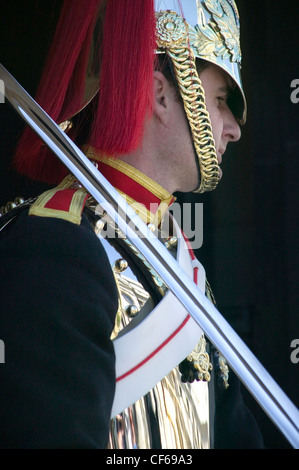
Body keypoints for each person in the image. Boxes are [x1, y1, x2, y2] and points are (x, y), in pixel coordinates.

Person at [0, 0, 264, 449]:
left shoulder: (181, 265)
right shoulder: (55, 244)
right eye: (220, 101)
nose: (233, 127)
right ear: (161, 95)